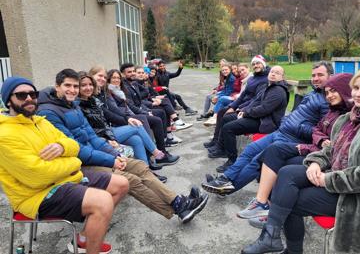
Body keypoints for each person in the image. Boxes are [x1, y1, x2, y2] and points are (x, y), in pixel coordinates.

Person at [241, 65, 360, 254]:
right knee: (286, 174)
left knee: (290, 201)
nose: (358, 94)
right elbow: (330, 150)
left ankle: (288, 248)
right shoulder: (350, 118)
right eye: (356, 88)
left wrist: (326, 179)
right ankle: (271, 237)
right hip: (337, 177)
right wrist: (316, 162)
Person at [37, 69, 209, 224]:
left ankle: (178, 201)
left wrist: (114, 154)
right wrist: (111, 159)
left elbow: (92, 137)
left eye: (75, 86)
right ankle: (177, 209)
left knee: (139, 166)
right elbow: (77, 150)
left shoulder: (72, 106)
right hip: (77, 165)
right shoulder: (49, 113)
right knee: (130, 179)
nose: (73, 90)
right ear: (57, 86)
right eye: (68, 86)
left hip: (96, 154)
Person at [0, 76, 129, 254]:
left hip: (64, 178)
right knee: (103, 202)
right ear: (8, 100)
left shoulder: (40, 121)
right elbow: (38, 175)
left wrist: (61, 147)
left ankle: (84, 238)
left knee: (121, 184)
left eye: (33, 93)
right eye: (21, 95)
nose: (29, 98)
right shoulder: (4, 134)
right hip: (36, 195)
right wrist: (73, 162)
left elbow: (72, 145)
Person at [240, 73, 353, 228]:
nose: (329, 95)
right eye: (327, 92)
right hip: (313, 149)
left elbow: (337, 150)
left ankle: (271, 213)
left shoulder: (350, 117)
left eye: (333, 91)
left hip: (324, 161)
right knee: (272, 153)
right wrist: (319, 138)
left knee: (281, 165)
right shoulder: (333, 110)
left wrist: (317, 156)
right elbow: (317, 129)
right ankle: (262, 202)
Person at [202, 61, 332, 194]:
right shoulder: (312, 93)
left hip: (292, 138)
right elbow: (294, 113)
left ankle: (227, 188)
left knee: (257, 160)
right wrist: (287, 120)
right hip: (281, 131)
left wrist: (293, 124)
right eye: (313, 75)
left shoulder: (328, 101)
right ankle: (225, 178)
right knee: (250, 149)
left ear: (330, 76)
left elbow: (321, 132)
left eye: (320, 75)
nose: (315, 78)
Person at [78, 72, 175, 168]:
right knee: (138, 125)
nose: (88, 87)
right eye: (83, 85)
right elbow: (112, 114)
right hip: (102, 136)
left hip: (108, 131)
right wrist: (109, 139)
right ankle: (157, 153)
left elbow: (109, 115)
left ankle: (146, 170)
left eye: (90, 84)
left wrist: (129, 118)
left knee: (136, 139)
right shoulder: (79, 105)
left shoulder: (94, 100)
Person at [209, 66, 289, 173]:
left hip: (266, 123)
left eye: (277, 73)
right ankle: (222, 149)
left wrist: (246, 113)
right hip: (259, 118)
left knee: (229, 128)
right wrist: (242, 110)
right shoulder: (269, 86)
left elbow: (264, 109)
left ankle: (232, 160)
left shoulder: (278, 91)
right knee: (226, 118)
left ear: (282, 77)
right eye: (272, 72)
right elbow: (255, 101)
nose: (273, 74)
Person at [203, 55, 269, 149]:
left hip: (251, 111)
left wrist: (240, 108)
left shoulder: (264, 80)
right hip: (244, 104)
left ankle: (221, 146)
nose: (256, 65)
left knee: (225, 117)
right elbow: (243, 95)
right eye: (254, 63)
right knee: (223, 112)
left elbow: (255, 100)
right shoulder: (252, 78)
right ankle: (216, 141)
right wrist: (233, 106)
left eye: (258, 63)